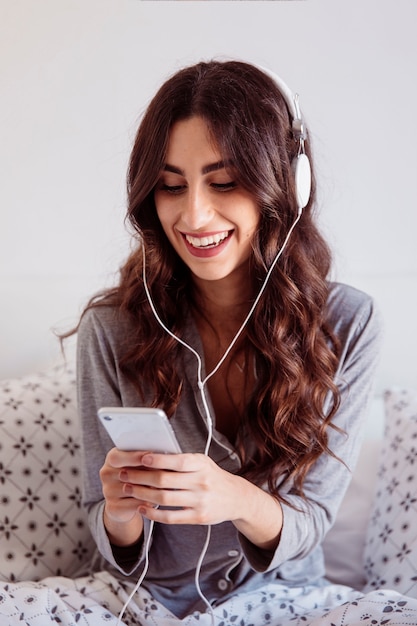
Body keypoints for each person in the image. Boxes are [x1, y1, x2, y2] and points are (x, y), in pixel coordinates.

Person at [1, 59, 417, 626]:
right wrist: (121, 514)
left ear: (287, 186)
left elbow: (311, 520)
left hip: (284, 602)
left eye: (224, 182)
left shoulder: (348, 323)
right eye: (172, 186)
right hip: (140, 602)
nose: (194, 214)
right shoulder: (112, 326)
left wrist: (234, 498)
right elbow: (108, 533)